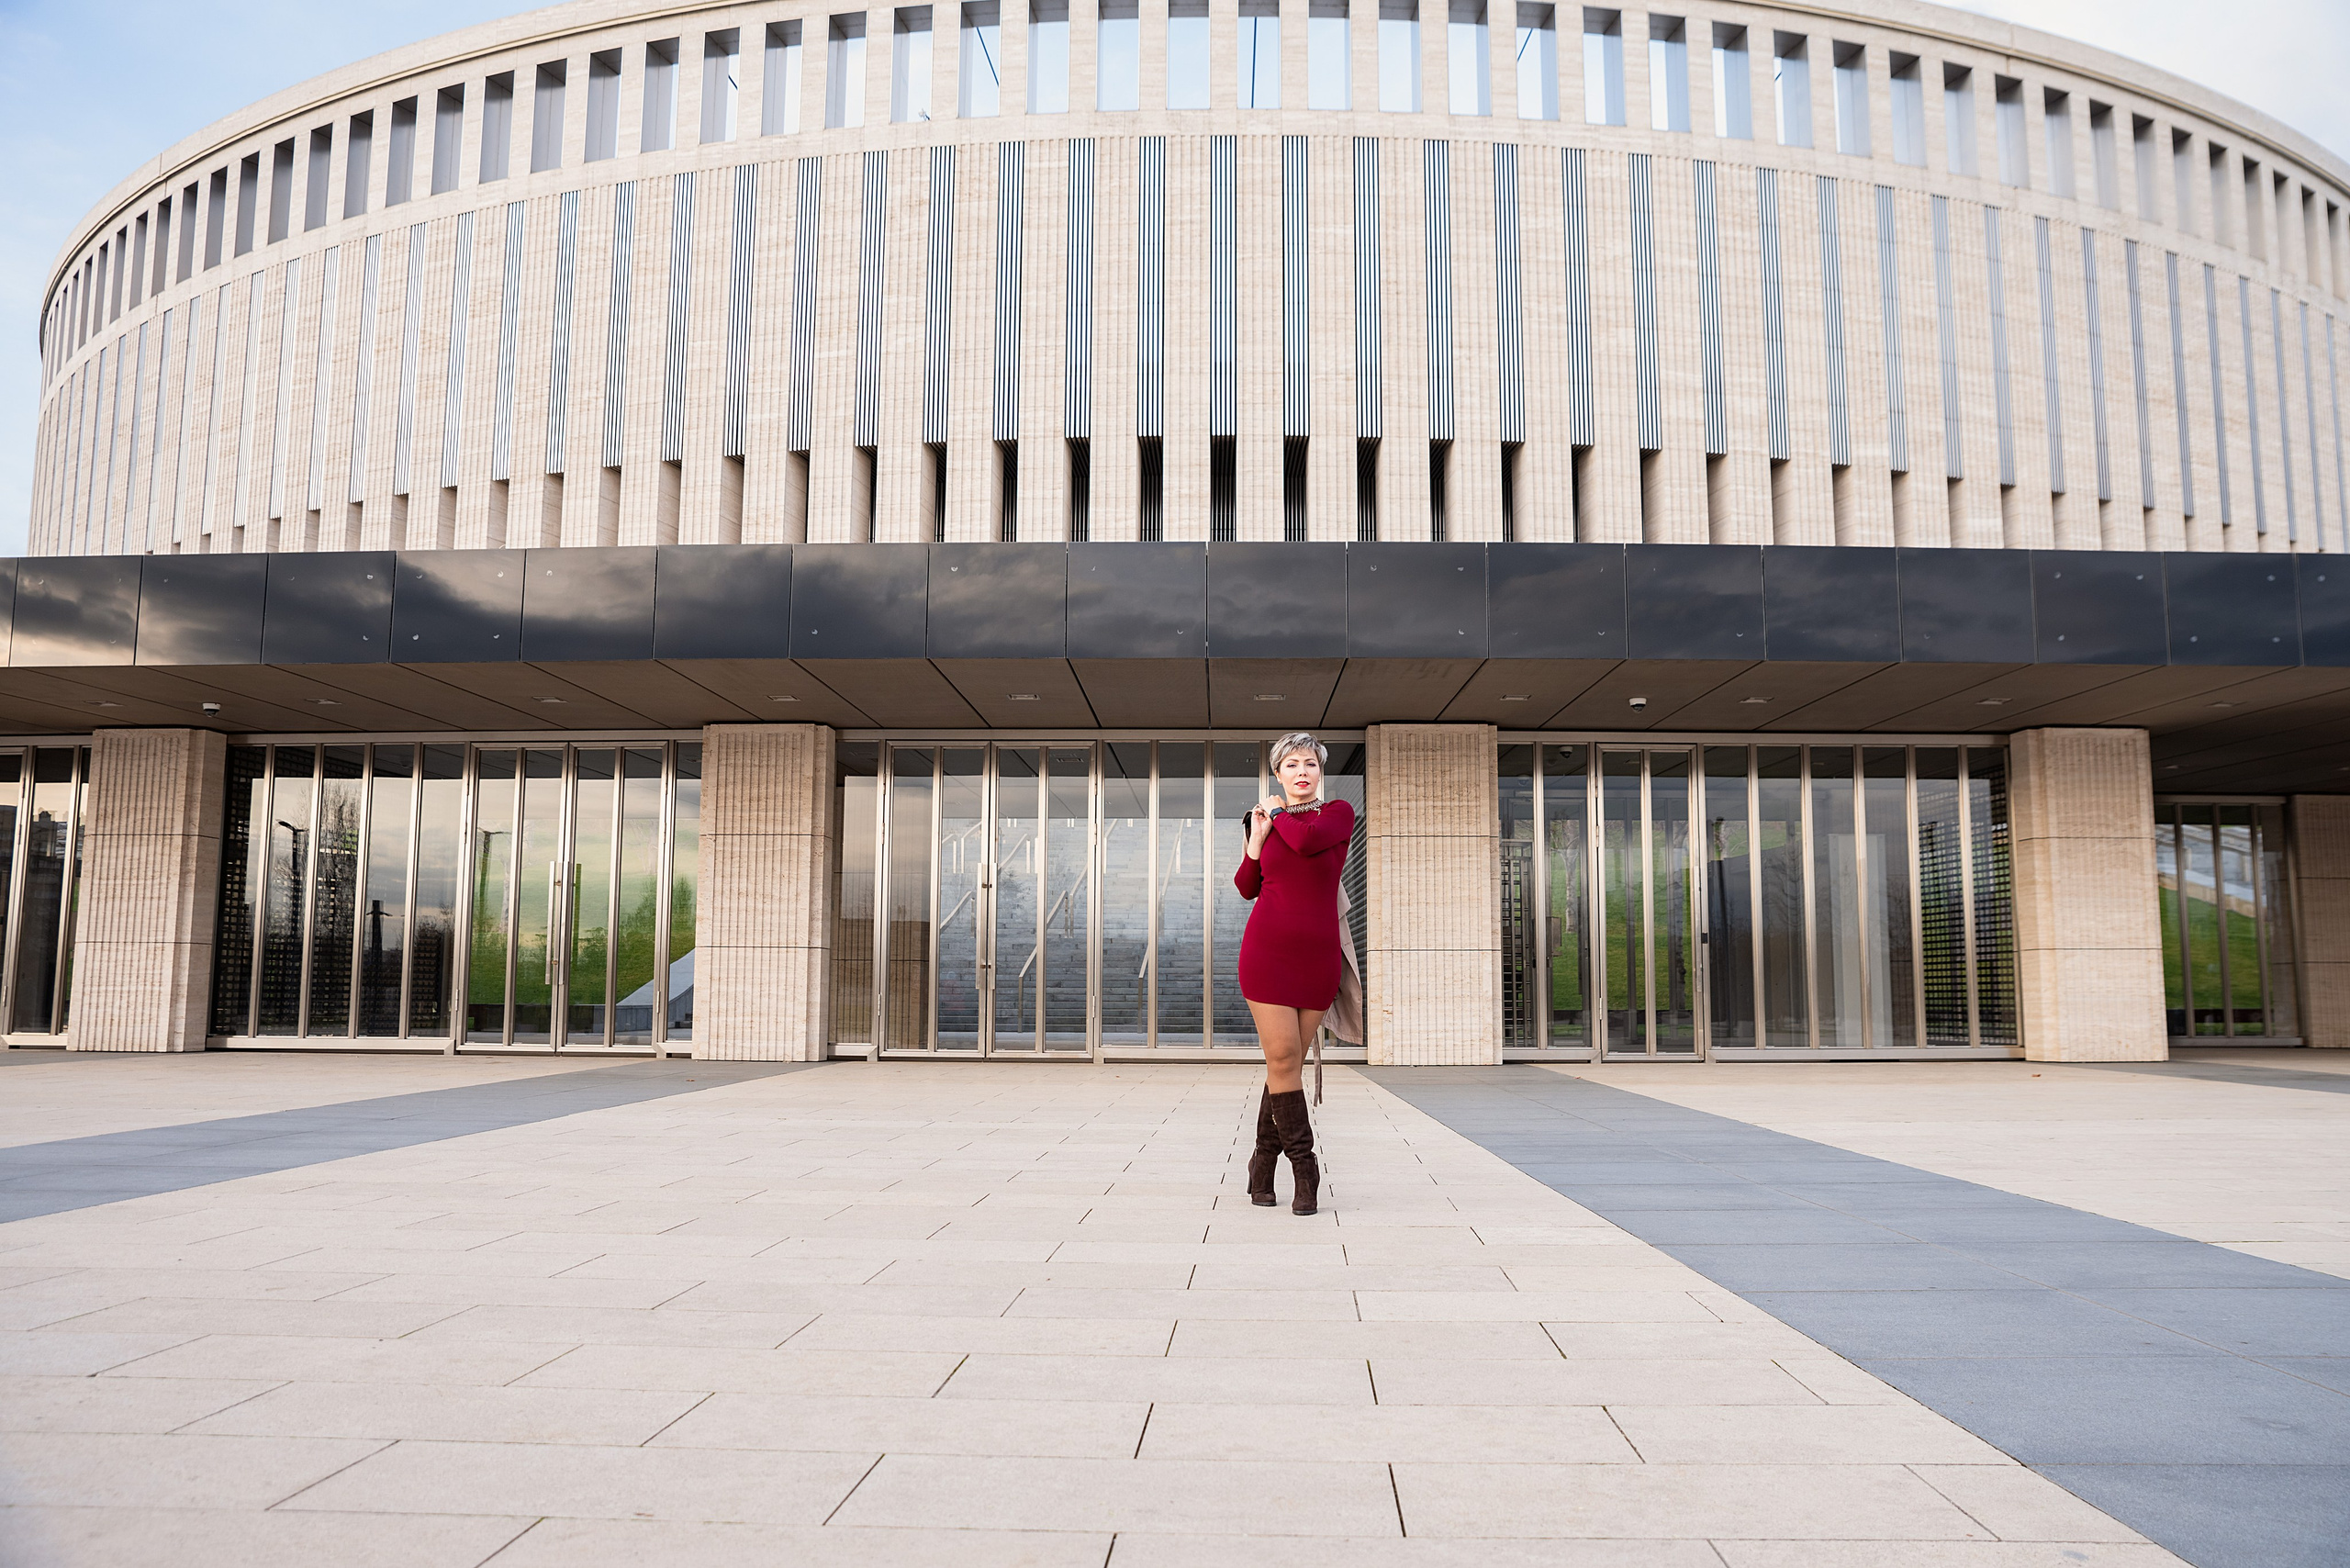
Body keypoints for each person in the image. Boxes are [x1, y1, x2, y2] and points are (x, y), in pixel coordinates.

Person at [1233, 732, 1356, 1215]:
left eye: (1309, 763)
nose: (1301, 771)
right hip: (1267, 954)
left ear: (1319, 773)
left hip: (1318, 958)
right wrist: (1257, 839)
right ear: (1278, 774)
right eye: (1291, 765)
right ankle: (1307, 1173)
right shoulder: (1262, 822)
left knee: (1284, 1068)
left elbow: (1306, 843)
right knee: (1284, 1058)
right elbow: (1247, 887)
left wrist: (1279, 816)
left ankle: (1261, 1164)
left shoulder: (1337, 814)